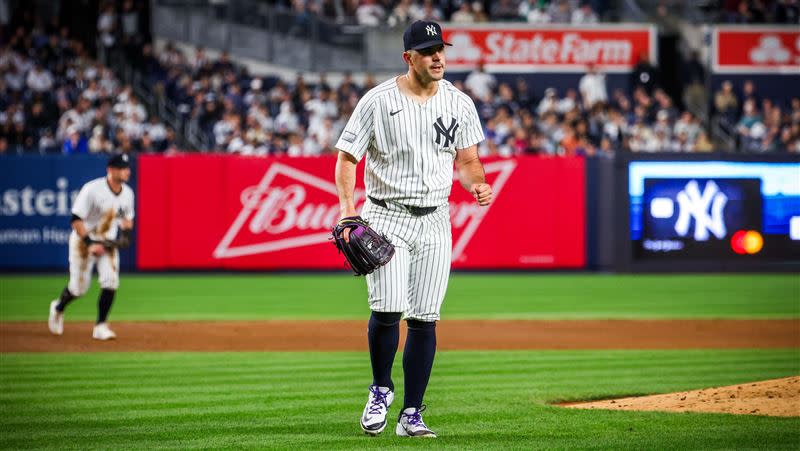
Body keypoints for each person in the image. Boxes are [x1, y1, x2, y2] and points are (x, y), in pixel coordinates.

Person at [334, 20, 492, 438]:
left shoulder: (458, 103)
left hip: (436, 219)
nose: (437, 56)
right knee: (387, 308)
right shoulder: (377, 101)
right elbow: (348, 157)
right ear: (409, 58)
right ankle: (381, 390)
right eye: (427, 50)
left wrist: (477, 182)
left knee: (425, 318)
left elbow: (468, 159)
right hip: (386, 216)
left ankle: (411, 414)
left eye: (440, 48)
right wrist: (348, 210)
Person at [48, 153, 135, 340]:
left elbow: (127, 220)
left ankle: (101, 326)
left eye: (127, 167)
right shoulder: (92, 189)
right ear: (110, 170)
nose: (127, 171)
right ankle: (58, 307)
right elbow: (76, 219)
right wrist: (89, 244)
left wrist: (125, 236)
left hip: (108, 243)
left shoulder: (127, 193)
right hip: (83, 241)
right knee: (79, 288)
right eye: (122, 168)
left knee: (111, 281)